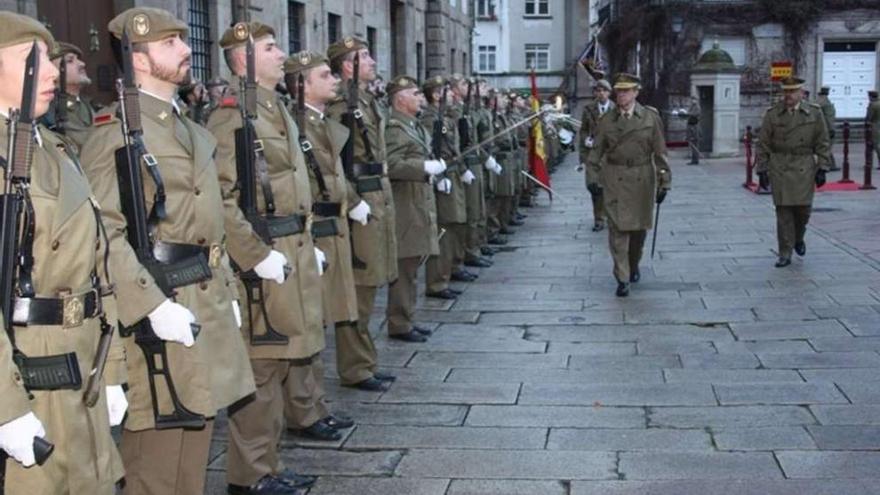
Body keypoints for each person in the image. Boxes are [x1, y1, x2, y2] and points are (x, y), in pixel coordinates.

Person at [81, 8, 256, 494]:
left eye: (183, 39)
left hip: (204, 301)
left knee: (193, 447)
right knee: (155, 462)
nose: (185, 50)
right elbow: (105, 234)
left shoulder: (191, 129)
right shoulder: (114, 136)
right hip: (159, 307)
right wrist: (150, 305)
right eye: (171, 43)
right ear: (138, 60)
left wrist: (230, 292)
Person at [206, 23, 336, 494]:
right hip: (262, 258)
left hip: (292, 250)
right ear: (242, 60)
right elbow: (219, 198)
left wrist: (308, 242)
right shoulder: (230, 117)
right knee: (262, 367)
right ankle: (249, 475)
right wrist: (254, 255)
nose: (282, 55)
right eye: (269, 48)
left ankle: (269, 464)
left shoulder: (277, 107)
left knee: (283, 362)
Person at [0, 12, 126, 494]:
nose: (52, 71)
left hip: (78, 361)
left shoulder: (51, 146)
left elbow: (100, 266)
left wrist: (109, 368)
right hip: (27, 368)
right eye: (33, 60)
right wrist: (7, 407)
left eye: (51, 59)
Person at [325, 37, 397, 391]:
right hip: (361, 198)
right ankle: (355, 367)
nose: (371, 60)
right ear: (347, 66)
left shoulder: (366, 101)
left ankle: (365, 361)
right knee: (359, 286)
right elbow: (332, 163)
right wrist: (352, 202)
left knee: (372, 283)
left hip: (377, 195)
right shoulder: (341, 106)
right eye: (363, 57)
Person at [587, 73, 671, 297]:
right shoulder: (606, 121)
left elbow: (660, 152)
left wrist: (664, 181)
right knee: (618, 230)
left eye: (626, 91)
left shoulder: (650, 118)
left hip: (642, 178)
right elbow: (596, 153)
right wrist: (592, 179)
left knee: (638, 232)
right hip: (614, 177)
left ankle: (633, 265)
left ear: (636, 92)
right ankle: (622, 277)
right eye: (619, 91)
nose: (621, 95)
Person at [384, 75, 442, 342]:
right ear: (400, 99)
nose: (421, 98)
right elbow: (392, 164)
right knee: (404, 266)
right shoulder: (394, 128)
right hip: (404, 203)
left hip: (417, 199)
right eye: (415, 93)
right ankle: (399, 323)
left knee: (413, 263)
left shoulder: (412, 126)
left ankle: (407, 318)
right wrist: (422, 168)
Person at [755, 76, 831, 268]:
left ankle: (798, 238)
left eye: (792, 91)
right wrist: (762, 169)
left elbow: (822, 141)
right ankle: (785, 252)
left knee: (803, 210)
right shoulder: (773, 114)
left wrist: (823, 167)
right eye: (786, 91)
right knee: (783, 211)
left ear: (801, 93)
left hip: (804, 165)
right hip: (780, 166)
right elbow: (763, 143)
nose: (788, 95)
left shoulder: (814, 113)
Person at [420, 76, 468, 300]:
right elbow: (430, 151)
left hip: (451, 174)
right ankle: (437, 282)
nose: (452, 95)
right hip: (442, 177)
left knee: (453, 227)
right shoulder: (430, 119)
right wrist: (438, 177)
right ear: (436, 95)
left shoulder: (445, 117)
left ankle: (446, 275)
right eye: (446, 92)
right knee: (443, 231)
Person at [42, 41, 96, 150]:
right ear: (52, 70)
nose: (82, 64)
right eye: (70, 61)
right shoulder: (48, 111)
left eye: (78, 59)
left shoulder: (90, 106)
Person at [579, 79, 614, 232]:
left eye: (604, 91)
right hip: (593, 155)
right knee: (594, 187)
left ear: (609, 92)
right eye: (598, 91)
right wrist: (583, 152)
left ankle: (609, 216)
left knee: (611, 188)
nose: (601, 93)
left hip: (611, 156)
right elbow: (583, 130)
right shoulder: (588, 109)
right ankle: (598, 219)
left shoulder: (616, 108)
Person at [816, 86, 838, 170]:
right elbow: (829, 118)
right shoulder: (826, 103)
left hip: (819, 127)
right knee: (827, 147)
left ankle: (831, 164)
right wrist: (831, 129)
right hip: (826, 128)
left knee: (826, 147)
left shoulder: (817, 100)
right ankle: (827, 165)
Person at [685, 95, 701, 165]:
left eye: (693, 99)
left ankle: (696, 159)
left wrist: (688, 113)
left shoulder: (697, 107)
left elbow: (695, 114)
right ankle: (693, 159)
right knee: (692, 144)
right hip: (690, 125)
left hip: (694, 125)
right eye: (691, 99)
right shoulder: (691, 107)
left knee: (695, 143)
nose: (692, 101)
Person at [866, 90, 880, 165]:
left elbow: (869, 116)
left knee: (872, 145)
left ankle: (869, 162)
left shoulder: (873, 105)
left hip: (874, 126)